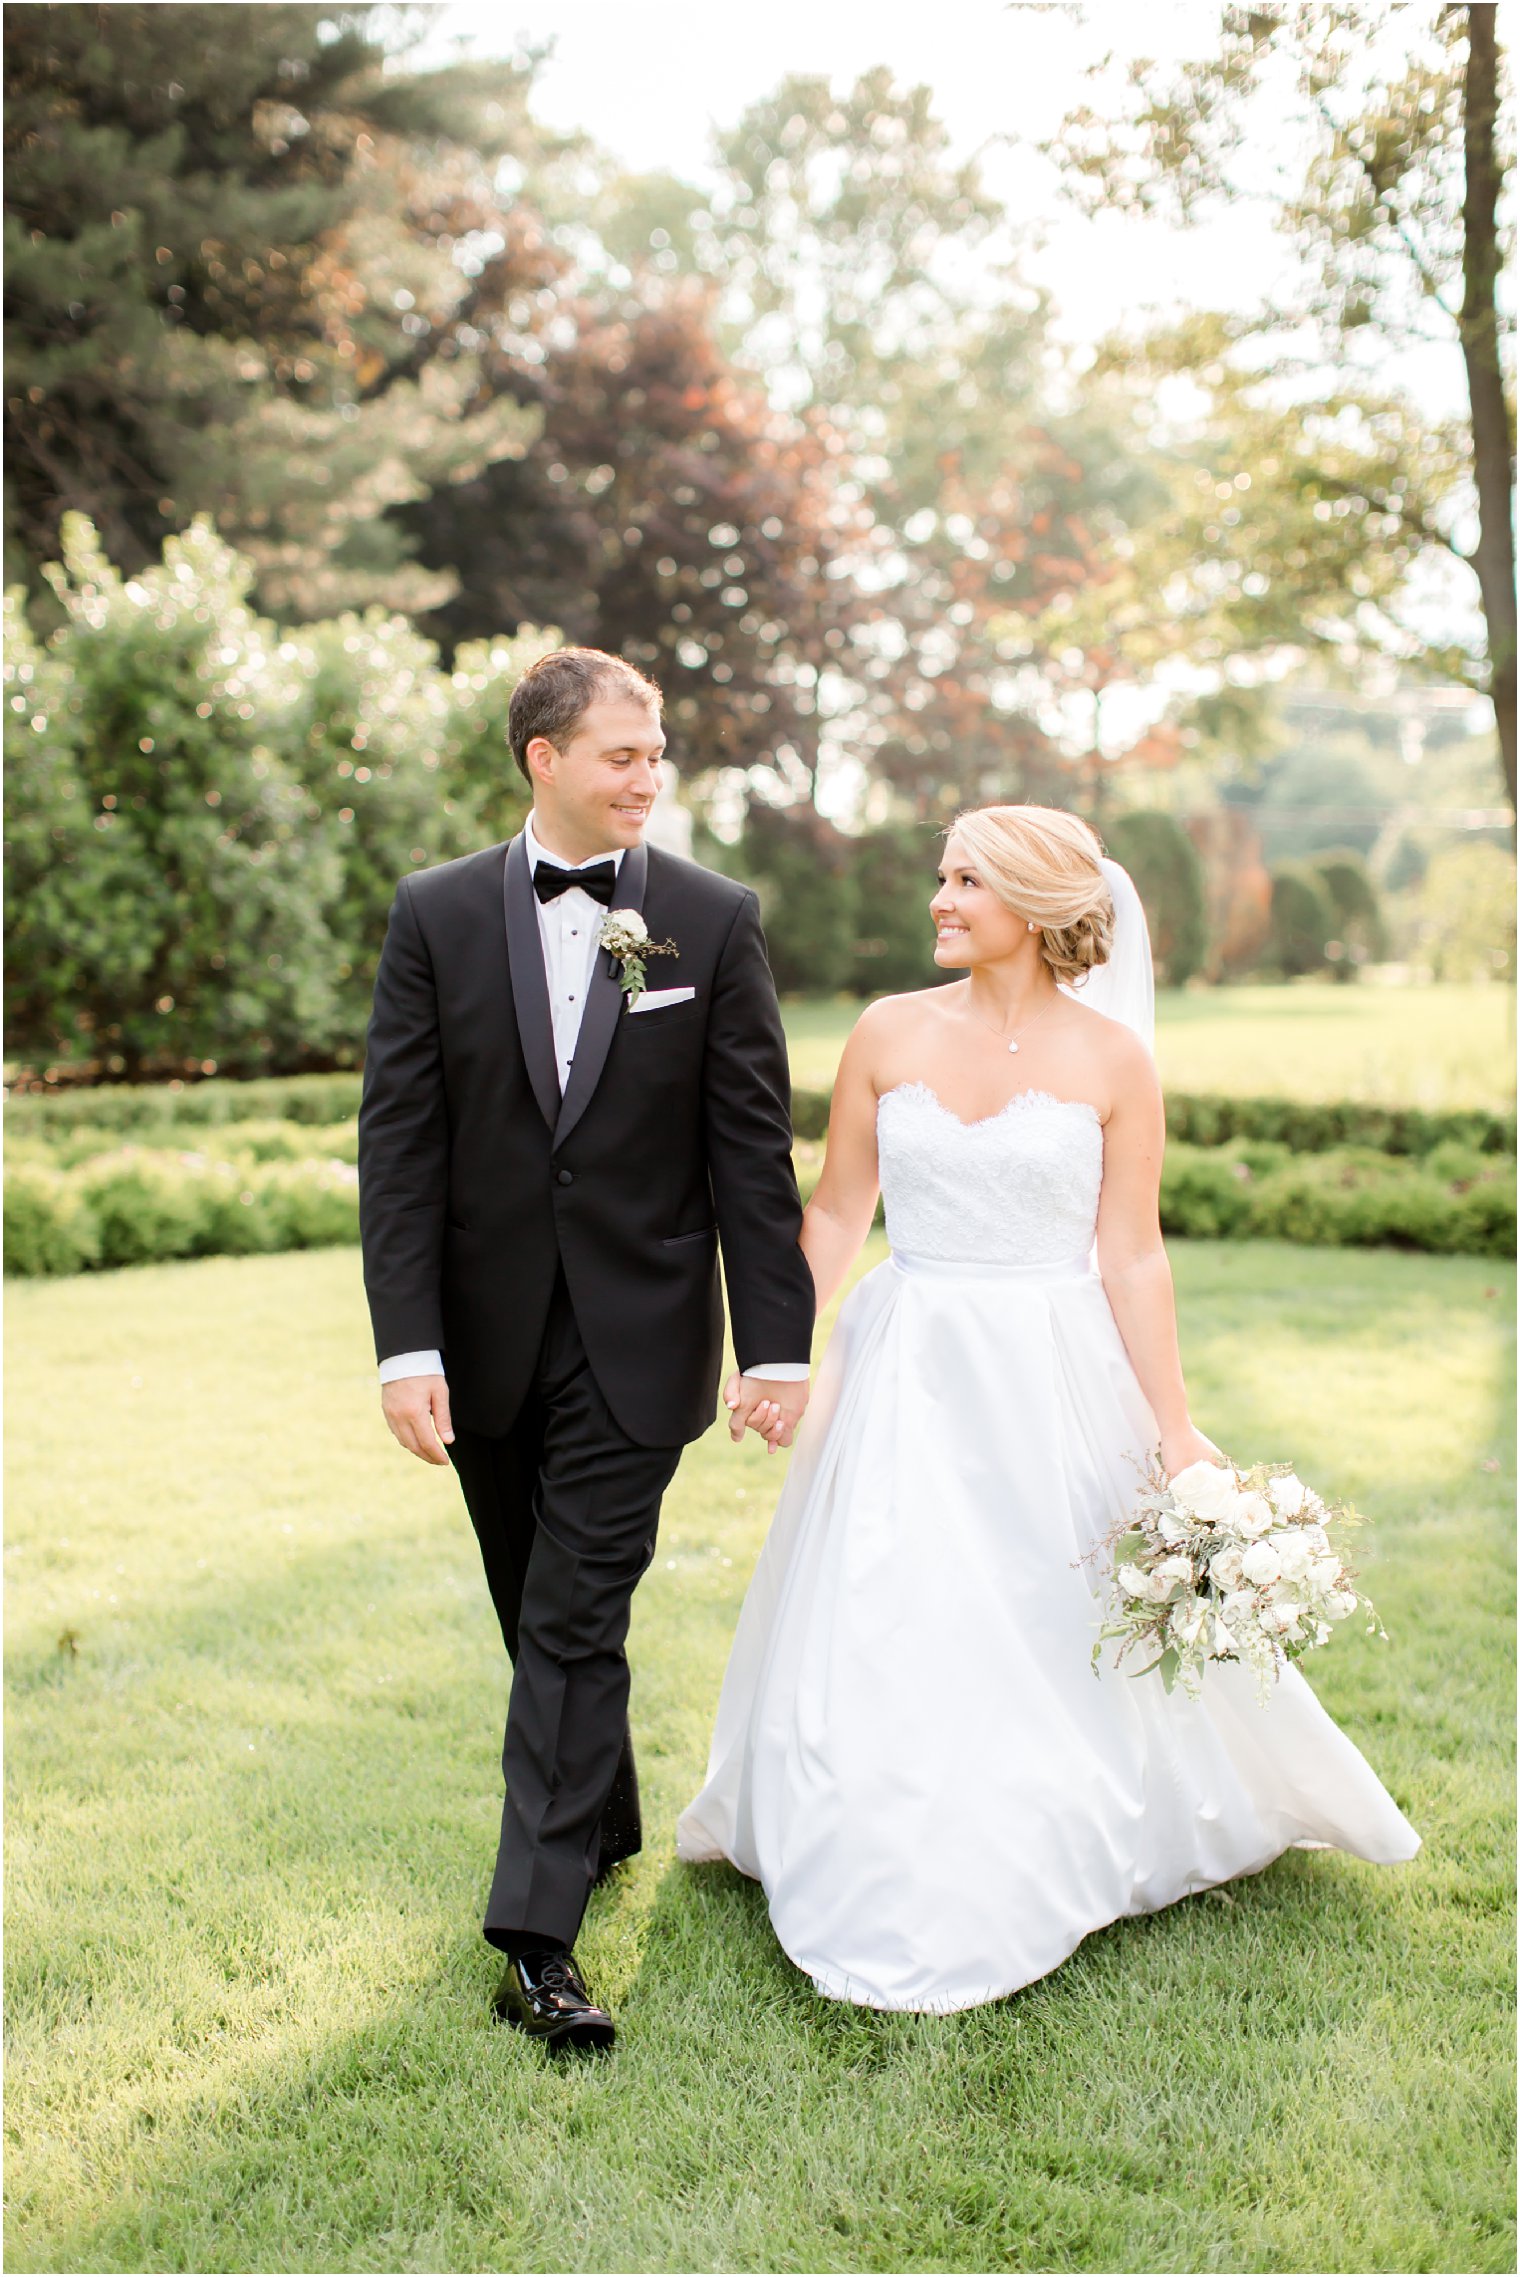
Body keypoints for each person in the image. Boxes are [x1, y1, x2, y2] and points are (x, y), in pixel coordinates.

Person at [677, 803, 1419, 2014]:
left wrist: (1174, 1430)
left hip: (1051, 1371)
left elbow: (1131, 1257)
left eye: (965, 880)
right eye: (942, 876)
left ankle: (1051, 1814)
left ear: (1030, 904)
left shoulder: (1112, 1061)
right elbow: (834, 1214)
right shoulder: (884, 1032)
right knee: (890, 1594)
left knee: (1046, 1605)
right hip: (907, 1356)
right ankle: (878, 1820)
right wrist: (778, 1355)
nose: (939, 899)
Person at [359, 648, 814, 2052]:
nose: (650, 772)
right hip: (485, 1345)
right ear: (543, 757)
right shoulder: (434, 914)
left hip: (641, 1338)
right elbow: (401, 1146)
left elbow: (749, 1147)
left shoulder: (708, 918)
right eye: (623, 751)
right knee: (532, 1608)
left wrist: (780, 1346)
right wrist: (403, 1347)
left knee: (570, 1617)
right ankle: (601, 1817)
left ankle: (536, 1941)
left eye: (658, 748)